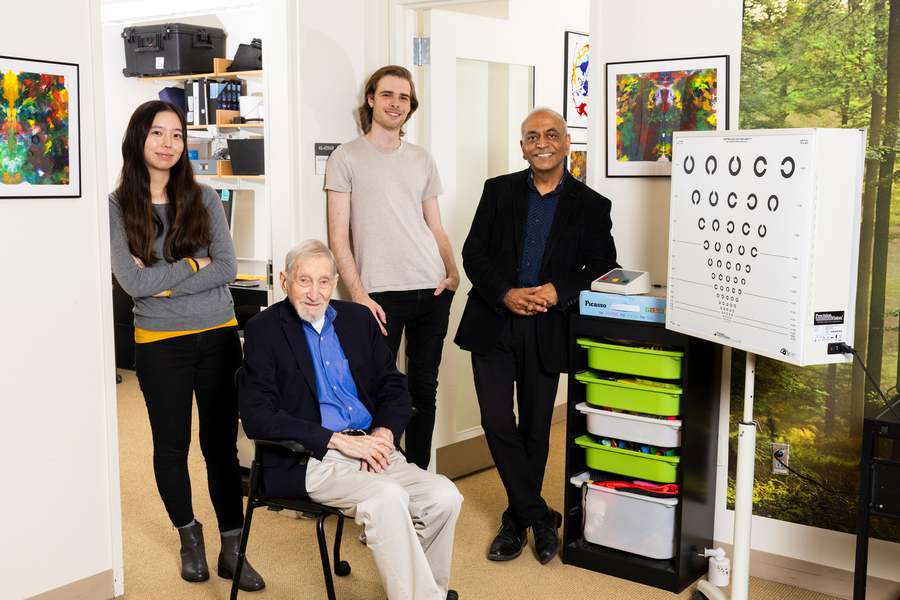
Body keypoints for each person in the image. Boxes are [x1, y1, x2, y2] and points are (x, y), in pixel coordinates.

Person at [238, 239, 463, 600]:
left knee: (444, 497)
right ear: (284, 281)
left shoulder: (358, 319)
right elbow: (258, 417)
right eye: (304, 281)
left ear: (336, 281)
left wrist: (385, 432)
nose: (314, 293)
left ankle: (427, 592)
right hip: (310, 458)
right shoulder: (265, 330)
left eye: (324, 281)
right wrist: (338, 441)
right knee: (388, 498)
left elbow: (394, 384)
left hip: (371, 446)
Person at [109, 100, 264, 591]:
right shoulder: (117, 206)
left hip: (218, 337)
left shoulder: (204, 197)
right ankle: (190, 537)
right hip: (159, 345)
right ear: (139, 138)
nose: (168, 144)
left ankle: (233, 548)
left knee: (220, 446)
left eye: (177, 135)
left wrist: (169, 278)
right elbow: (132, 284)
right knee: (171, 447)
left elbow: (226, 266)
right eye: (158, 133)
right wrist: (192, 267)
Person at [454, 108, 619, 565]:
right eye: (532, 136)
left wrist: (556, 290)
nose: (541, 142)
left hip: (547, 327)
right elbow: (474, 253)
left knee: (535, 428)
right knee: (496, 421)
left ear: (567, 143)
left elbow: (604, 266)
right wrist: (505, 293)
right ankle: (538, 516)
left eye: (551, 135)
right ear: (522, 146)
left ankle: (513, 520)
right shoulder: (498, 191)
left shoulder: (592, 205)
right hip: (493, 320)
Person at [325, 65, 459, 469]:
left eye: (403, 97)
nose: (395, 103)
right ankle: (379, 484)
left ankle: (417, 481)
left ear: (410, 105)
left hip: (431, 288)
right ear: (371, 99)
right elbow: (338, 236)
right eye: (387, 95)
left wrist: (453, 273)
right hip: (378, 294)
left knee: (423, 389)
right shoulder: (345, 156)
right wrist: (359, 294)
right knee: (377, 391)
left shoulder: (421, 159)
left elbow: (435, 226)